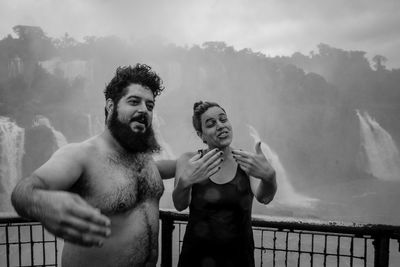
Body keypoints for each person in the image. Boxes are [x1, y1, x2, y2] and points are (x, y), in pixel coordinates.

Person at [11, 64, 176, 267]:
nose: (144, 110)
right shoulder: (80, 154)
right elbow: (24, 191)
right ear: (110, 105)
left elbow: (155, 171)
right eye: (134, 101)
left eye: (149, 106)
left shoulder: (143, 159)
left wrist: (188, 162)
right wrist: (43, 203)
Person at [173, 101, 277, 267]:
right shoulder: (189, 161)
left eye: (223, 119)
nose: (221, 126)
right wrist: (184, 183)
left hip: (238, 260)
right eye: (211, 124)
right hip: (196, 259)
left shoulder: (246, 162)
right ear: (201, 135)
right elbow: (179, 204)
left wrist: (270, 177)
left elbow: (265, 197)